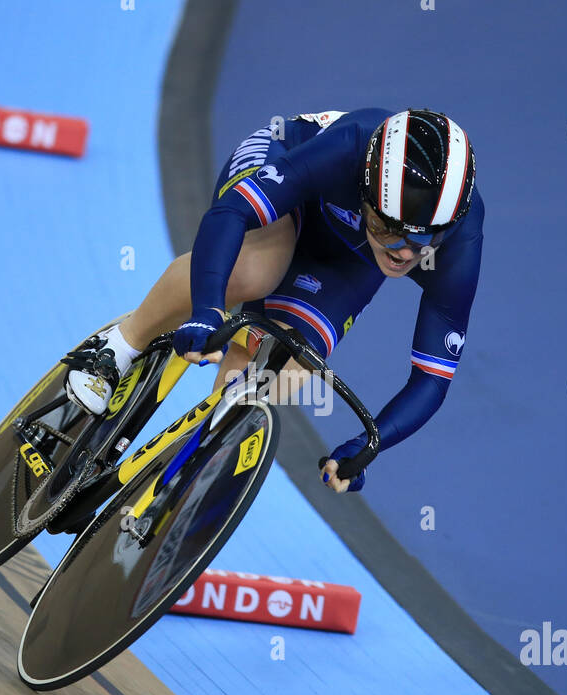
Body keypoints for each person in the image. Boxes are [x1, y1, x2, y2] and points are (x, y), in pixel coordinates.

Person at [65, 108, 483, 493]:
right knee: (254, 273)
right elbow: (232, 212)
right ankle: (116, 348)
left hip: (346, 259)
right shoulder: (348, 147)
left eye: (422, 240)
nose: (403, 253)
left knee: (282, 368)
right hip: (288, 168)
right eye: (386, 228)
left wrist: (367, 444)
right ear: (366, 188)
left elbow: (432, 379)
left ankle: (183, 479)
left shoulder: (461, 239)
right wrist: (208, 307)